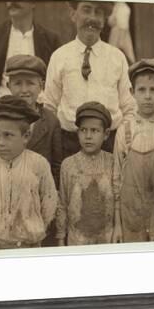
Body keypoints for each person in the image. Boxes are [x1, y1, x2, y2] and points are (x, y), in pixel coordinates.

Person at [0, 54, 63, 246]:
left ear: (41, 85)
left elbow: (56, 167)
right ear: (8, 86)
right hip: (1, 207)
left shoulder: (50, 121)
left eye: (30, 83)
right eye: (18, 83)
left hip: (34, 209)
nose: (24, 90)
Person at [44, 0, 136, 160]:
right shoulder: (60, 56)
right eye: (87, 10)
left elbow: (129, 108)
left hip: (109, 144)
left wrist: (121, 142)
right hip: (69, 144)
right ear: (73, 14)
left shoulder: (117, 58)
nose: (92, 18)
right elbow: (49, 107)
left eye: (98, 12)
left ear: (105, 18)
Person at [0, 95, 58, 250]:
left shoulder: (38, 164)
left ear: (26, 136)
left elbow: (49, 201)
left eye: (8, 135)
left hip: (29, 245)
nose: (0, 143)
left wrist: (35, 228)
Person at [112, 59, 154, 243]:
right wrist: (118, 224)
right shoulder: (124, 131)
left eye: (153, 90)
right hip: (131, 218)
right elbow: (116, 181)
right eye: (141, 90)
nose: (147, 96)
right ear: (132, 92)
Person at [0, 0, 61, 107]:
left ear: (33, 2)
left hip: (39, 110)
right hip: (0, 110)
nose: (12, 1)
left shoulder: (50, 39)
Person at [56, 102, 115, 246]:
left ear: (106, 134)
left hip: (107, 238)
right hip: (77, 239)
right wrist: (60, 239)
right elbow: (62, 204)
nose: (88, 136)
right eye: (83, 130)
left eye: (94, 131)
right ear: (78, 133)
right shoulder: (68, 165)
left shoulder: (113, 162)